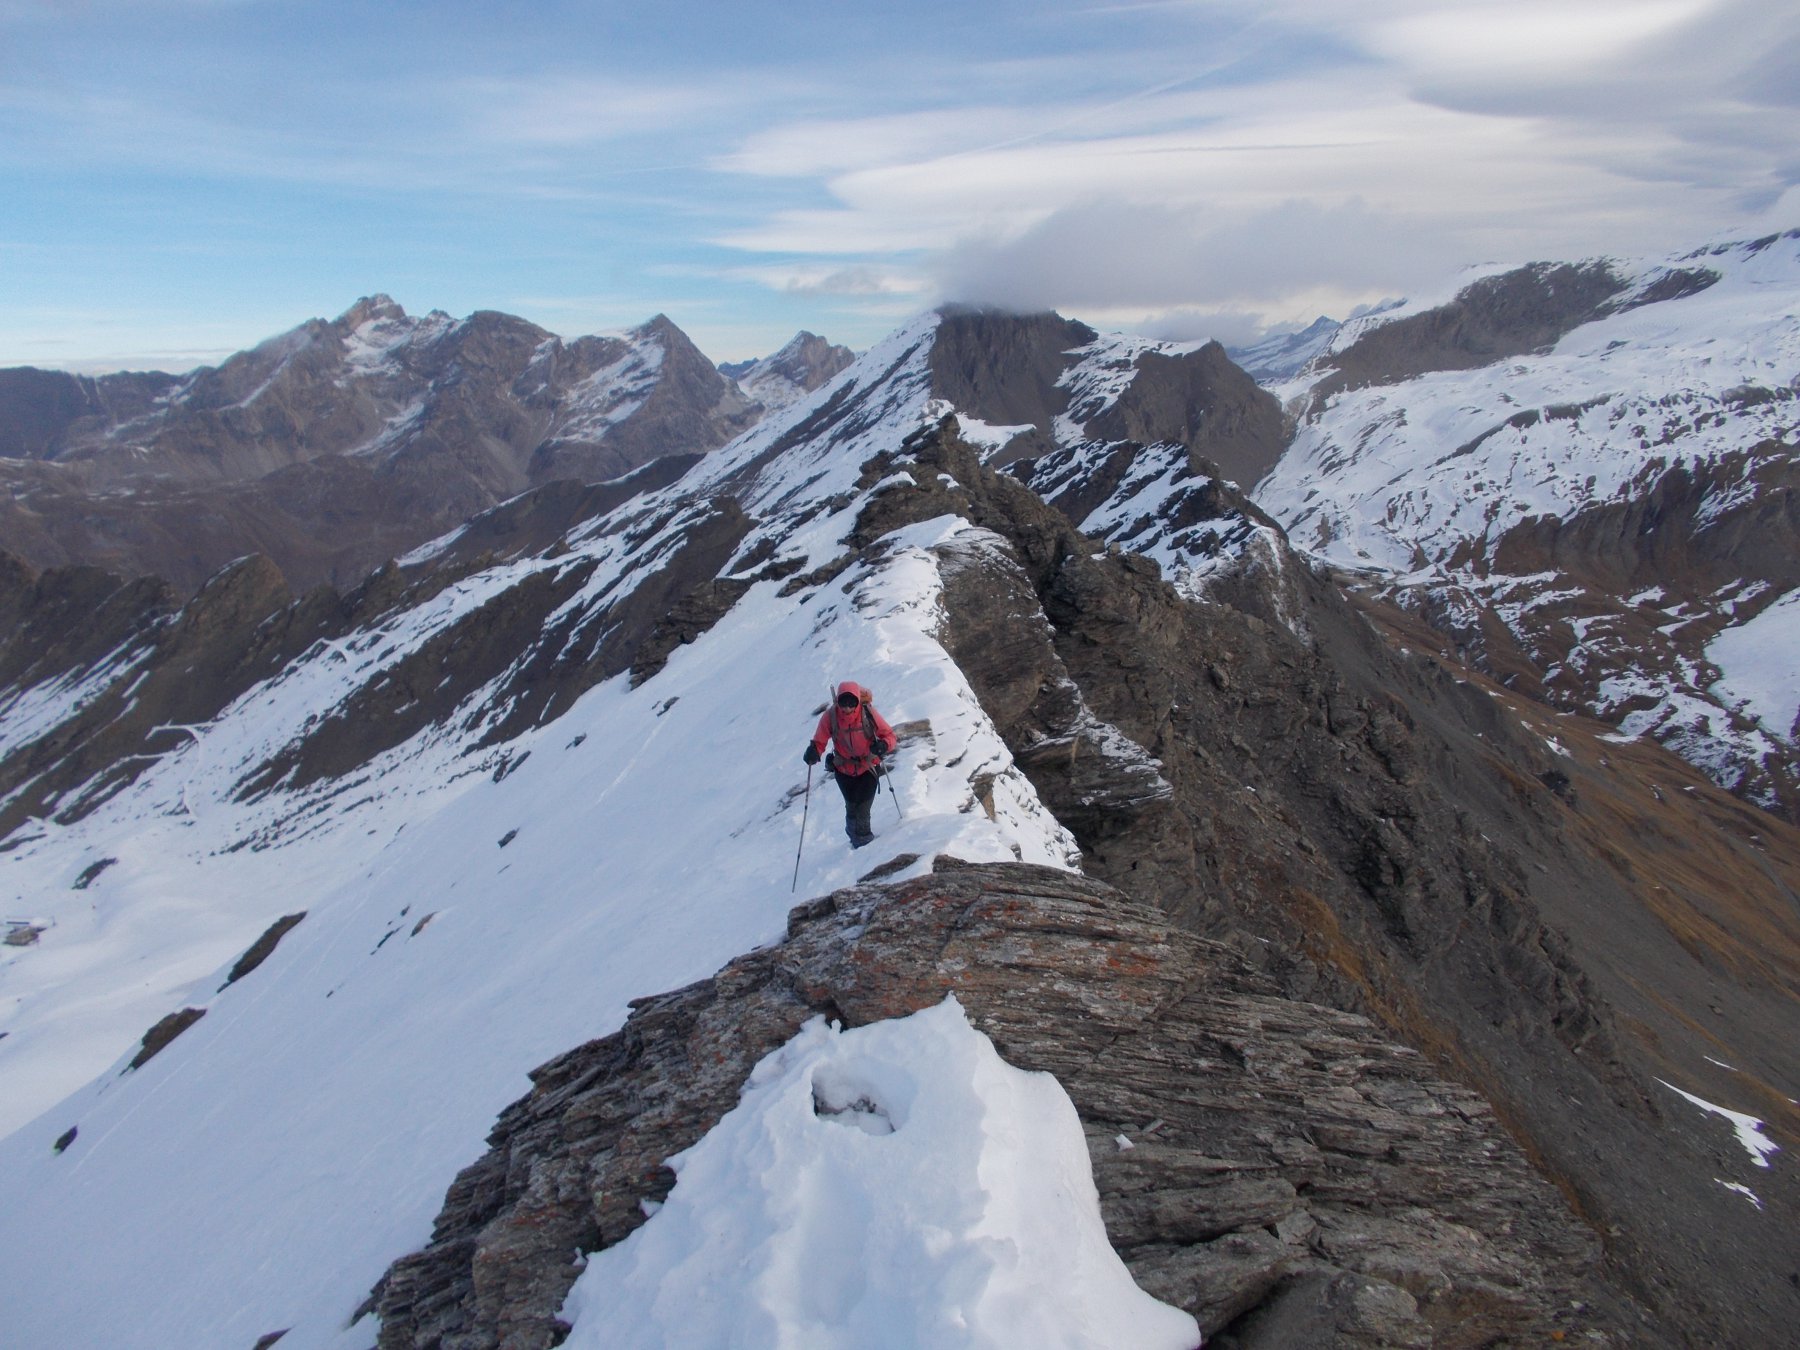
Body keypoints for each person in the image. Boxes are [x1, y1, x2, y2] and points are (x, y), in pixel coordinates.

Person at [803, 681, 897, 848]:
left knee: (863, 807)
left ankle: (864, 843)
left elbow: (889, 735)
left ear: (858, 701)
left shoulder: (868, 714)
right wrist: (814, 752)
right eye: (843, 703)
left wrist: (883, 745)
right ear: (838, 701)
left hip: (868, 767)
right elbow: (819, 741)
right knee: (851, 805)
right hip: (843, 769)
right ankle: (854, 838)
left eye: (851, 703)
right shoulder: (831, 717)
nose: (847, 708)